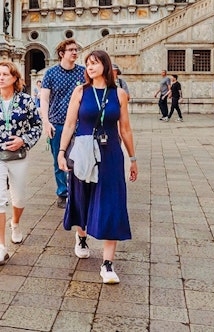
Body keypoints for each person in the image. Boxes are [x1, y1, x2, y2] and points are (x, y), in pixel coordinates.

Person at [57, 49, 138, 285]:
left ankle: (107, 263)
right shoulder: (80, 91)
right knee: (82, 197)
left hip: (110, 153)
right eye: (87, 64)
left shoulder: (119, 94)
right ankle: (81, 236)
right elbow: (70, 123)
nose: (89, 68)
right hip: (83, 151)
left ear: (105, 65)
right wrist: (62, 153)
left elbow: (125, 129)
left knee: (111, 202)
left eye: (94, 63)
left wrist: (132, 159)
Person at [0, 61, 42, 266]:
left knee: (18, 198)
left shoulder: (26, 100)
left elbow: (37, 127)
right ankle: (1, 247)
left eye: (5, 74)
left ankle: (16, 222)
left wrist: (24, 140)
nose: (1, 77)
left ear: (14, 78)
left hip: (18, 155)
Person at [39, 39, 85, 208]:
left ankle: (79, 191)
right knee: (59, 158)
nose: (75, 52)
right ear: (61, 53)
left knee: (80, 158)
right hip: (57, 123)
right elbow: (44, 99)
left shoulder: (83, 72)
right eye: (71, 50)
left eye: (76, 49)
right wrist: (46, 121)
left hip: (80, 123)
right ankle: (62, 193)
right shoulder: (50, 74)